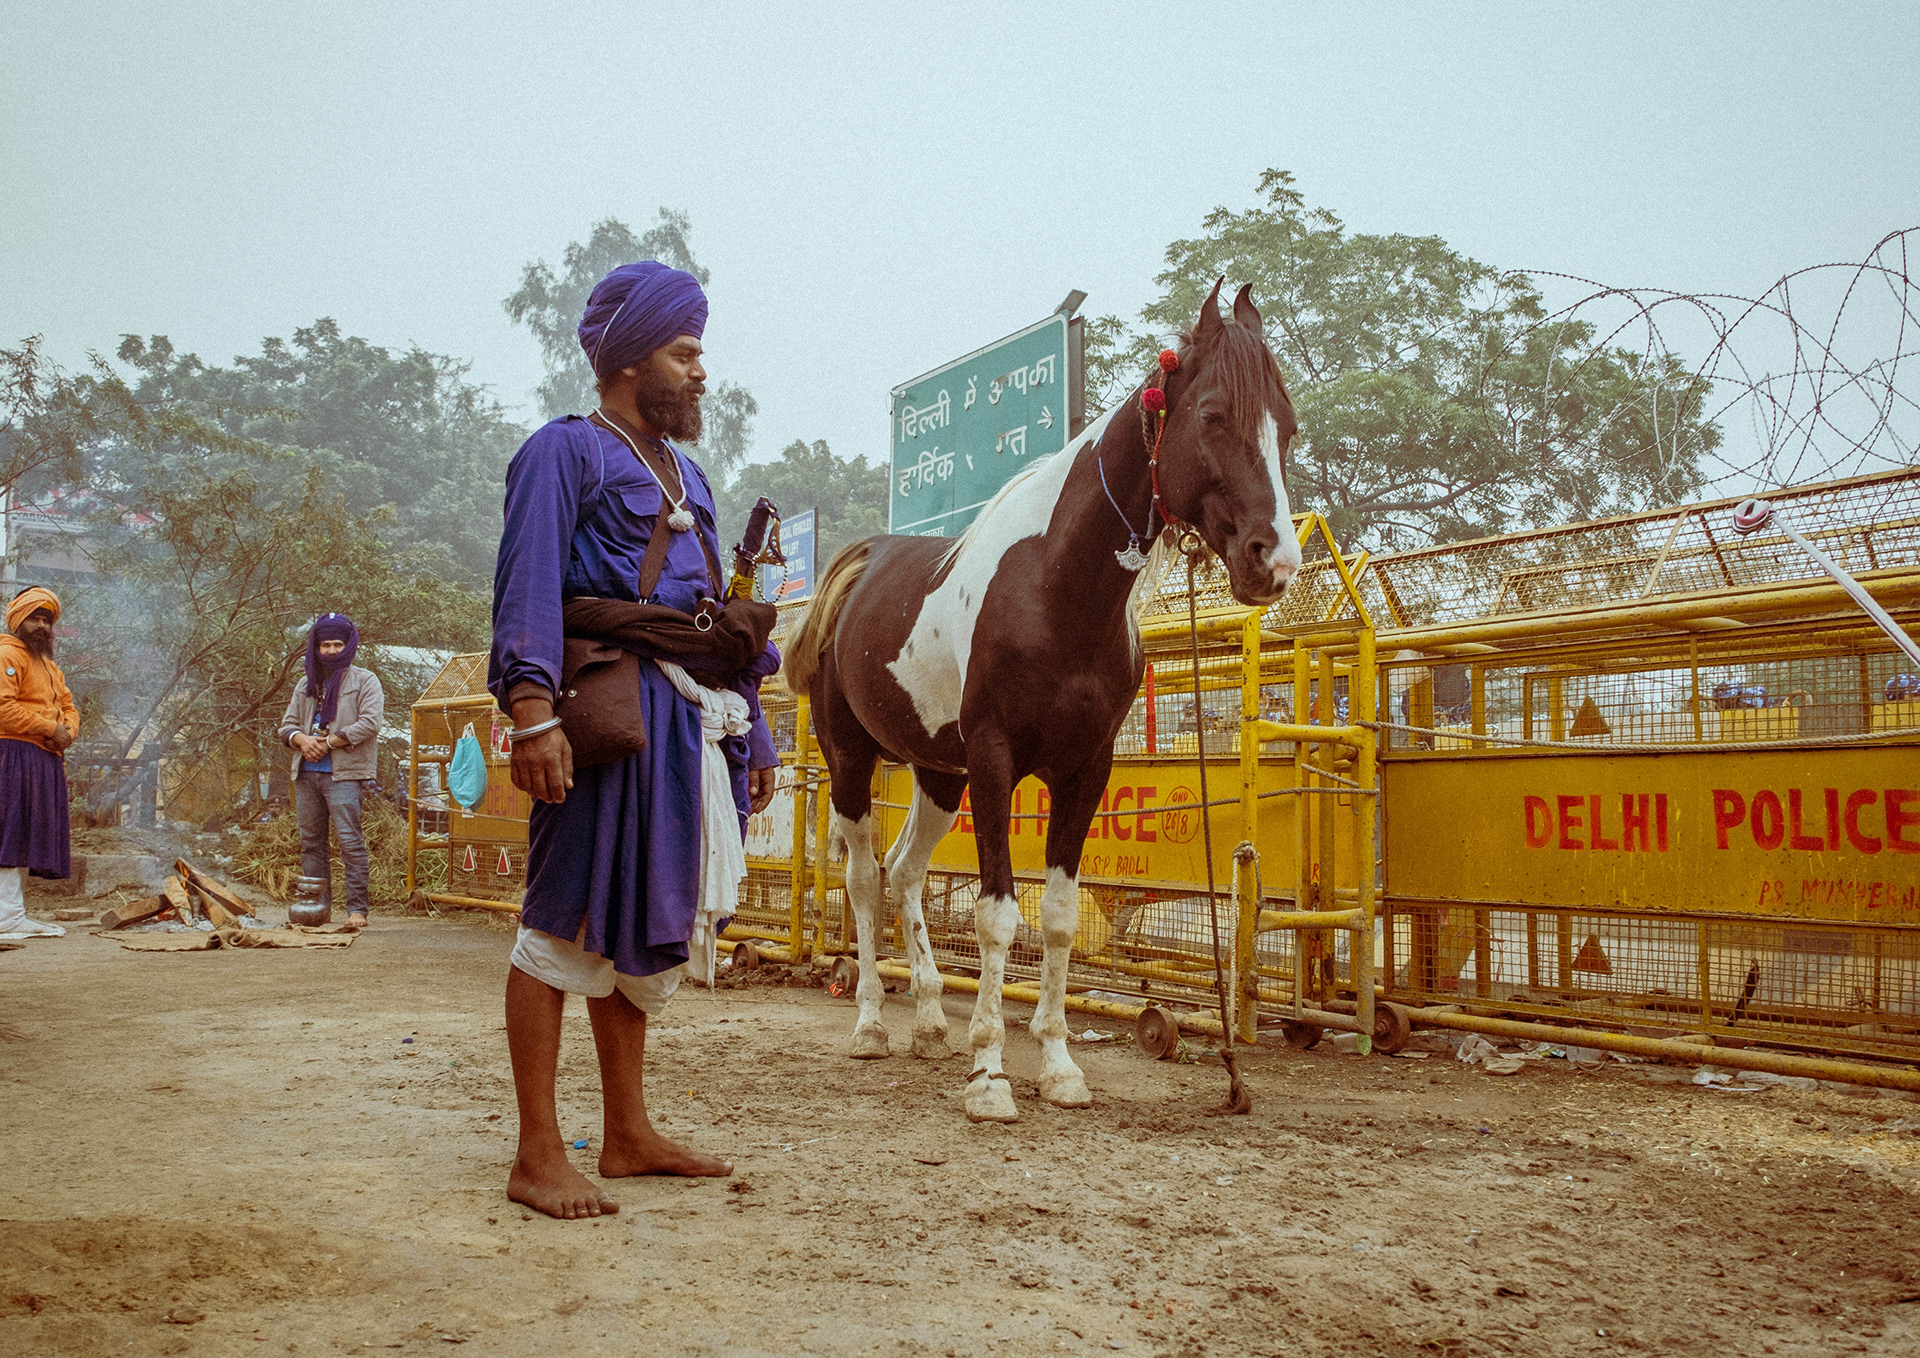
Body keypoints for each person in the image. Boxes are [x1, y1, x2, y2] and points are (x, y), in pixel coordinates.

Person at [490, 260, 780, 1220]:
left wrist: (755, 732)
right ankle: (538, 1153)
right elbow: (529, 585)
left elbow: (716, 623)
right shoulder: (562, 452)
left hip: (686, 726)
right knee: (561, 921)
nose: (700, 371)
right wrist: (532, 713)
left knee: (639, 922)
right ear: (627, 360)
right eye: (684, 352)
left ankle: (626, 1135)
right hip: (603, 721)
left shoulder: (689, 476)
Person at [276, 613, 384, 928]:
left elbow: (370, 723)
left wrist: (328, 742)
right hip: (306, 773)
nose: (332, 650)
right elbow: (287, 726)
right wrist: (301, 740)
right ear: (317, 647)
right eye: (326, 645)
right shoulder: (305, 684)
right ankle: (317, 909)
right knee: (311, 843)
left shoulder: (365, 680)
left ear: (348, 645)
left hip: (344, 774)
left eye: (338, 644)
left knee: (349, 841)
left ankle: (357, 911)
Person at [0, 587, 77, 939]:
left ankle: (12, 916)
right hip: (10, 753)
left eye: (47, 619)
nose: (42, 626)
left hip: (42, 757)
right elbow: (3, 708)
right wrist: (49, 728)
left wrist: (66, 733)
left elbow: (69, 707)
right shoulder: (6, 654)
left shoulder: (50, 667)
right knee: (9, 833)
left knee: (24, 836)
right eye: (34, 617)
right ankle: (7, 919)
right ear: (17, 619)